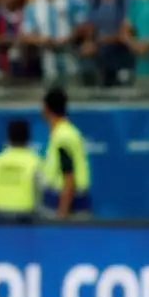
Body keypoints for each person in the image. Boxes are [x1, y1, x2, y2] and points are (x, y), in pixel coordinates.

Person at [41, 88, 91, 217]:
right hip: (70, 200)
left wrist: (62, 213)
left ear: (46, 109)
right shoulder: (66, 132)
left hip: (65, 203)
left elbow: (69, 176)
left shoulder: (63, 136)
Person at [0, 119, 41, 219]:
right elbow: (43, 192)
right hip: (28, 220)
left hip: (0, 218)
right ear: (29, 137)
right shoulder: (36, 162)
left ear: (8, 138)